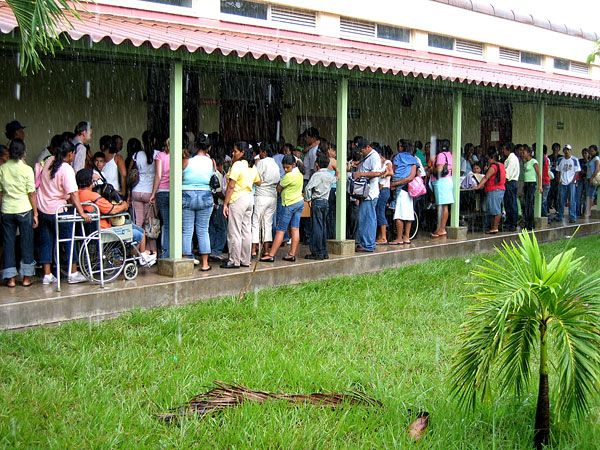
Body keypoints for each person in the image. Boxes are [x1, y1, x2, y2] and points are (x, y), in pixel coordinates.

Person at [36, 140, 92, 285]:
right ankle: (73, 273)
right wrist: (82, 213)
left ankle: (47, 275)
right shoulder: (66, 168)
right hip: (58, 211)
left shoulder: (48, 161)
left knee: (46, 242)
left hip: (43, 209)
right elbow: (73, 194)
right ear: (70, 154)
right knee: (69, 240)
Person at [76, 168, 156, 266]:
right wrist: (124, 205)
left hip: (89, 230)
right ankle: (140, 257)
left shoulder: (77, 195)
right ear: (90, 181)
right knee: (139, 233)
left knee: (139, 230)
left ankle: (142, 256)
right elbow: (112, 210)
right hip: (104, 231)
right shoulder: (92, 196)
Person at [0, 139, 37, 287]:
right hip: (24, 209)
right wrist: (35, 213)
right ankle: (27, 277)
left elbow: (0, 193)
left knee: (8, 243)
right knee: (26, 242)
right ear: (23, 152)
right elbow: (32, 194)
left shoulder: (2, 169)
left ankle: (11, 279)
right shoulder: (27, 169)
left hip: (7, 210)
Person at [222, 142, 261, 269]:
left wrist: (225, 203)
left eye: (235, 151)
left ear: (242, 152)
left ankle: (234, 260)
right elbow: (259, 181)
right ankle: (245, 259)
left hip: (237, 199)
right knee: (246, 230)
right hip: (249, 199)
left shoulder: (238, 165)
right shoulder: (251, 166)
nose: (233, 153)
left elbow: (231, 186)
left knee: (234, 231)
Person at [261, 154, 303, 263]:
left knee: (280, 230)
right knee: (295, 228)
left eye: (287, 167)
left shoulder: (288, 176)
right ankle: (292, 254)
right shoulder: (299, 173)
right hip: (299, 202)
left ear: (293, 165)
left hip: (289, 204)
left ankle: (271, 254)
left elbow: (279, 188)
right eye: (283, 167)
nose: (285, 169)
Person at [181, 134, 214, 271]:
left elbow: (179, 175)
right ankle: (205, 264)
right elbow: (213, 176)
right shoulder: (211, 161)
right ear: (209, 147)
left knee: (187, 231)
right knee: (203, 230)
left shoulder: (187, 160)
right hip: (205, 195)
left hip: (187, 194)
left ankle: (185, 262)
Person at [129, 131, 159, 252]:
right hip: (149, 192)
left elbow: (130, 172)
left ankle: (136, 252)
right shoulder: (158, 155)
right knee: (150, 224)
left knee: (138, 223)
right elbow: (159, 174)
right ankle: (151, 251)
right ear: (155, 140)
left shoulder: (136, 155)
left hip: (136, 191)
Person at [304, 153, 336, 259]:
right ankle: (324, 251)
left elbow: (308, 188)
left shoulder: (317, 175)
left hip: (317, 202)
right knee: (323, 226)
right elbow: (336, 179)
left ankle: (317, 252)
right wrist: (338, 173)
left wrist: (308, 199)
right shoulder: (330, 175)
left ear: (316, 164)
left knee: (316, 228)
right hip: (325, 203)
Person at [251, 143, 280, 258]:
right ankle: (266, 250)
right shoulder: (275, 164)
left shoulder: (261, 163)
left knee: (256, 222)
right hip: (272, 196)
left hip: (261, 195)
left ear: (264, 152)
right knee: (268, 224)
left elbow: (256, 178)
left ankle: (254, 249)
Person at [353, 137, 381, 252]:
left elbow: (377, 172)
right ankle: (365, 242)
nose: (360, 153)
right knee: (363, 219)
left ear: (367, 147)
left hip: (370, 194)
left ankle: (368, 244)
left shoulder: (374, 156)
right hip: (364, 194)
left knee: (368, 219)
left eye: (361, 150)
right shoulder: (366, 157)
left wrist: (360, 174)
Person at [389, 142, 417, 245]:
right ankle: (406, 237)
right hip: (409, 189)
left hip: (400, 189)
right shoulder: (414, 160)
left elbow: (393, 170)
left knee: (398, 214)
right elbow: (411, 177)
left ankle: (399, 238)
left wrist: (395, 183)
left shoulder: (398, 157)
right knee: (409, 213)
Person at [474, 152, 505, 234]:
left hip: (494, 189)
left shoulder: (493, 166)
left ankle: (495, 227)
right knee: (493, 209)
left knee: (495, 209)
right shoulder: (501, 165)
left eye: (488, 159)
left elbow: (486, 177)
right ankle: (493, 227)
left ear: (492, 159)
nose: (487, 161)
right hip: (499, 189)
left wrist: (478, 186)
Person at [149, 138, 171, 258]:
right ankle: (178, 252)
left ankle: (165, 253)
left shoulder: (160, 156)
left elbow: (158, 175)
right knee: (178, 224)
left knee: (166, 224)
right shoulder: (180, 156)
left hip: (162, 191)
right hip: (175, 192)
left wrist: (153, 193)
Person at [430, 139, 453, 238]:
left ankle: (441, 229)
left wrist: (431, 169)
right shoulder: (449, 154)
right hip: (448, 181)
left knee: (443, 207)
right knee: (444, 206)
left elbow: (439, 169)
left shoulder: (440, 155)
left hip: (442, 182)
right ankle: (439, 228)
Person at [209, 157, 227, 262]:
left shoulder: (210, 174)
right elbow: (219, 191)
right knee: (221, 229)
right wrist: (226, 199)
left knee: (212, 228)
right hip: (219, 205)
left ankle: (211, 249)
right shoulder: (219, 175)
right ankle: (217, 251)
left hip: (211, 205)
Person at [556, 144, 580, 223]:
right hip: (562, 182)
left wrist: (573, 180)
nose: (566, 151)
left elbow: (577, 171)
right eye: (565, 150)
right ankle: (560, 215)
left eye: (568, 150)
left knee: (572, 200)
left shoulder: (574, 160)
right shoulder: (560, 160)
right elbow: (558, 170)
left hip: (571, 183)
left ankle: (572, 216)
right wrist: (559, 180)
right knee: (561, 200)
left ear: (570, 150)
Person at [521, 145, 542, 230]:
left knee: (529, 203)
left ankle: (530, 223)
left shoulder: (533, 161)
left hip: (531, 183)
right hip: (526, 183)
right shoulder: (525, 162)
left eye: (524, 152)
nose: (523, 154)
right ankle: (526, 221)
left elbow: (539, 174)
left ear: (528, 153)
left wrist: (540, 185)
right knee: (525, 203)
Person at [376, 146, 393, 244]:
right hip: (381, 189)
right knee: (379, 211)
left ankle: (383, 237)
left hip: (384, 190)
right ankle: (380, 236)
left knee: (380, 211)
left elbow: (391, 172)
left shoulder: (387, 162)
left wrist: (384, 174)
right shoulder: (381, 163)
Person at [502, 143, 519, 232]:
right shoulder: (509, 159)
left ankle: (513, 223)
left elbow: (507, 174)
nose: (503, 151)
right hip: (509, 182)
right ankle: (509, 222)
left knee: (511, 203)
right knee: (508, 203)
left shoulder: (512, 159)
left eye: (504, 149)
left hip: (510, 182)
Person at [585, 145, 599, 218]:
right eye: (590, 150)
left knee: (591, 195)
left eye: (592, 151)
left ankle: (588, 211)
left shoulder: (596, 158)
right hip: (588, 178)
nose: (590, 152)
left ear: (595, 151)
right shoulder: (591, 158)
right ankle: (587, 211)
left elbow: (597, 169)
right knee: (588, 195)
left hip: (592, 178)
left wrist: (592, 178)